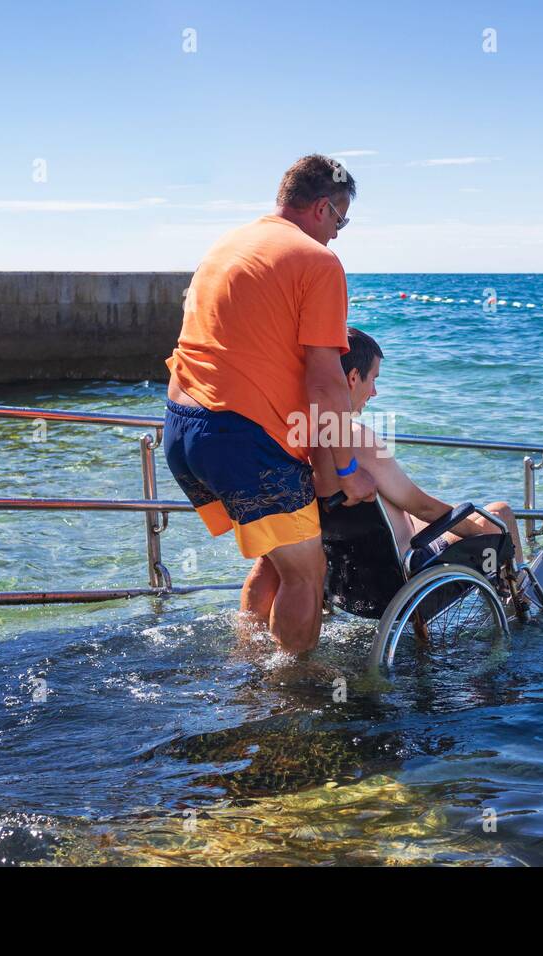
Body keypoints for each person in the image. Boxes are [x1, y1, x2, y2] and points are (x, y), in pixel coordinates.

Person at [163, 154, 376, 655]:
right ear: (323, 208)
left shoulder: (229, 244)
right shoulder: (317, 261)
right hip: (242, 438)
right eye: (340, 220)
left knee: (275, 559)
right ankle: (291, 698)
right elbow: (328, 385)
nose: (339, 234)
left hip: (182, 427)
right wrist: (347, 468)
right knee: (307, 572)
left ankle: (249, 661)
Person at [312, 327, 525, 565]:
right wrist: (486, 536)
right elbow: (423, 508)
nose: (374, 392)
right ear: (353, 378)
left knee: (461, 514)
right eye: (373, 380)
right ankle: (521, 600)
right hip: (410, 567)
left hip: (357, 569)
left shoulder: (307, 436)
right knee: (498, 515)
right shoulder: (358, 437)